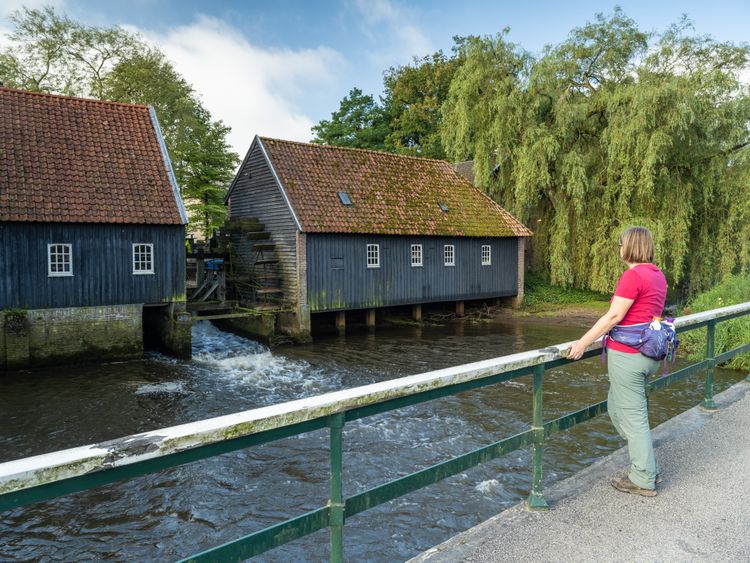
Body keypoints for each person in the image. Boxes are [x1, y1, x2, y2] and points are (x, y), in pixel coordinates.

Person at [567, 226, 667, 497]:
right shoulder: (658, 275)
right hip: (648, 355)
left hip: (629, 357)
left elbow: (613, 317)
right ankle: (642, 454)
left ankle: (644, 478)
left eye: (620, 244)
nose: (618, 249)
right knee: (616, 406)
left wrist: (582, 343)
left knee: (634, 419)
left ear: (630, 246)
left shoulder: (632, 276)